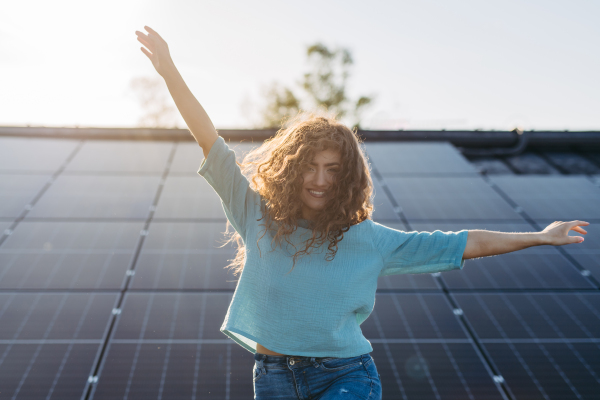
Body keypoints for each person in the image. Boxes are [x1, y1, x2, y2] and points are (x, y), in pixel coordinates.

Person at [135, 26, 590, 400]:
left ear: (346, 179)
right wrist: (170, 70)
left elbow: (460, 243)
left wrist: (540, 235)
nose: (318, 179)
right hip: (272, 378)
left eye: (332, 170)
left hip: (345, 378)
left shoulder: (368, 238)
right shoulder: (253, 211)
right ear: (292, 170)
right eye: (309, 167)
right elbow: (209, 140)